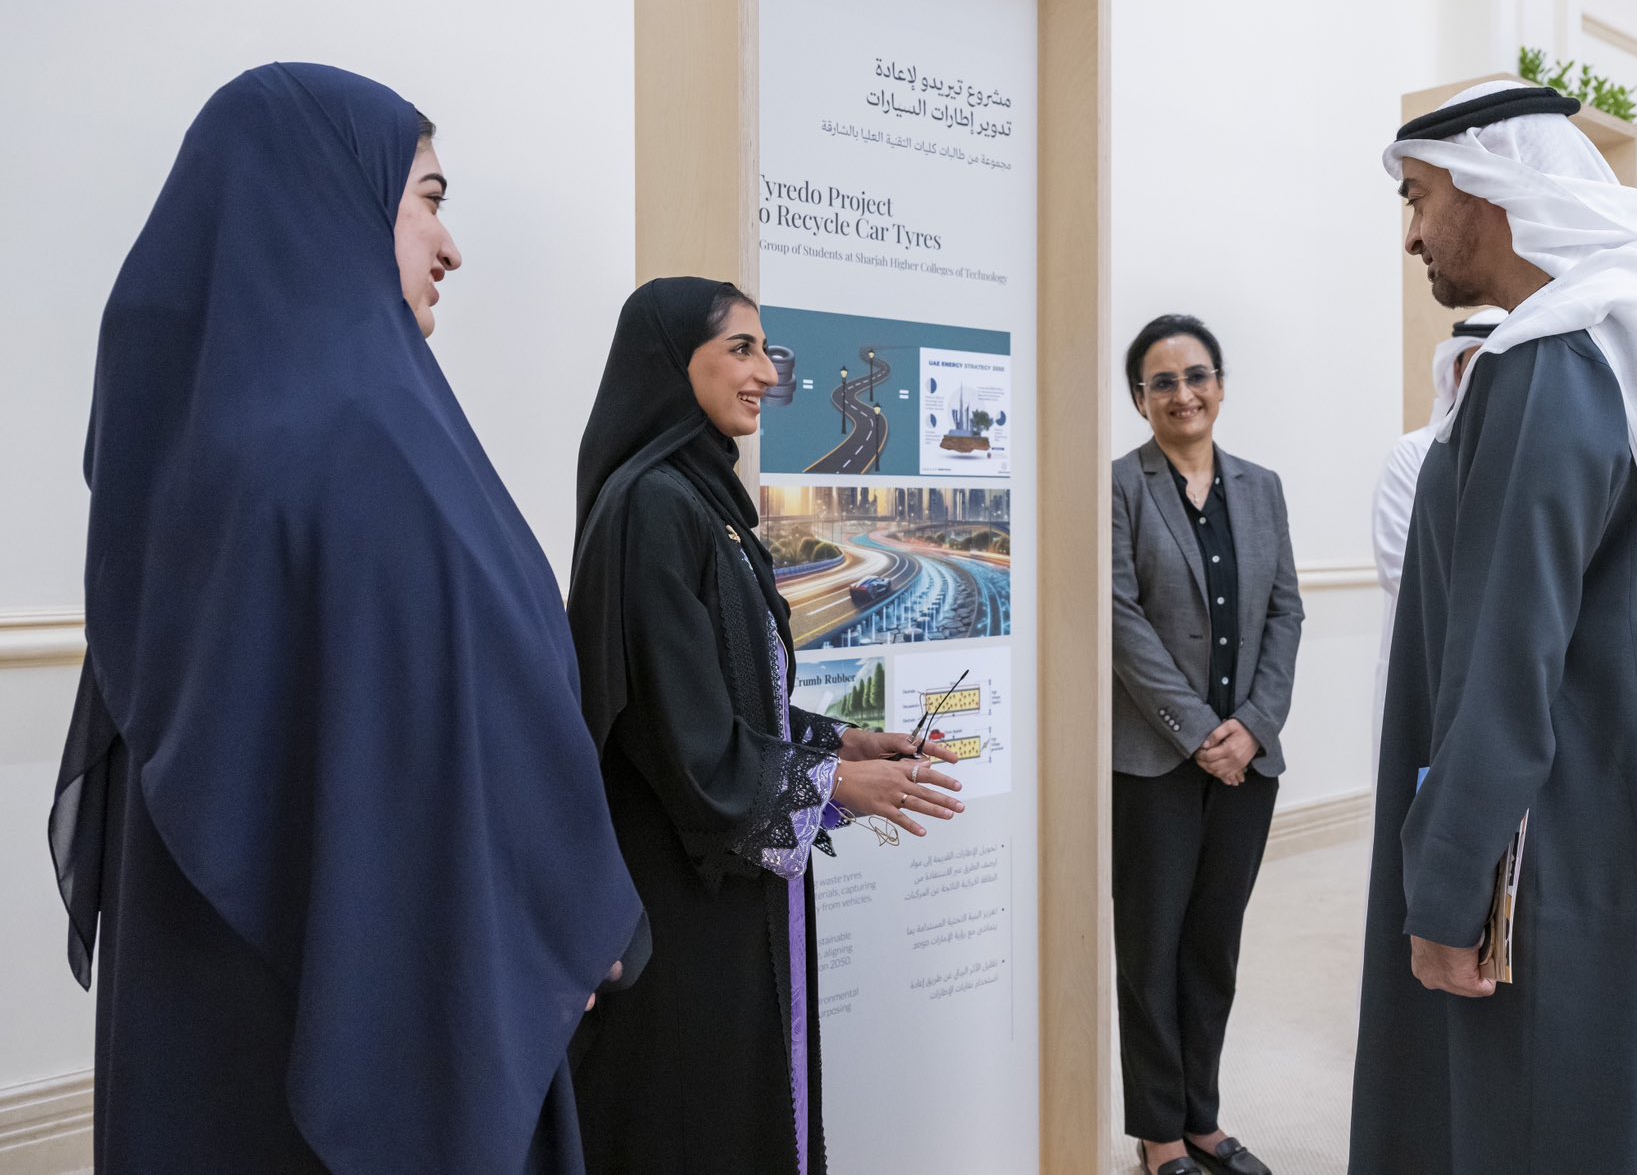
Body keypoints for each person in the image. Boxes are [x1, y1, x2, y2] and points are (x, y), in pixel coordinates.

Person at [48, 63, 643, 1173]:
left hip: (205, 1005)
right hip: (394, 1025)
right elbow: (478, 707)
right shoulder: (367, 446)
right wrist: (582, 915)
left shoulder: (183, 459)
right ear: (334, 196)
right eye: (427, 196)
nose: (448, 244)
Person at [1350, 82, 1637, 1174]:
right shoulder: (1628, 359)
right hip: (1631, 817)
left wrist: (1446, 889)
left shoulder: (1545, 368)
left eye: (1419, 197)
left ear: (1488, 196)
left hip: (1556, 850)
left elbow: (1506, 657)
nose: (1410, 234)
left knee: (1542, 1112)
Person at [567, 277, 965, 1174]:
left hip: (730, 887)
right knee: (692, 1113)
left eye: (764, 350)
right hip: (681, 897)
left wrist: (845, 745)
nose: (764, 372)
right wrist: (834, 786)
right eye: (740, 348)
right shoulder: (654, 507)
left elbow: (731, 699)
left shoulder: (707, 503)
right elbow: (680, 733)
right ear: (676, 360)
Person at [1110, 314, 1303, 1175]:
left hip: (1246, 764)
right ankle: (1158, 1135)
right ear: (1139, 399)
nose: (1182, 394)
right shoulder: (1119, 487)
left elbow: (1285, 612)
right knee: (1151, 947)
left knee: (1213, 944)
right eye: (1162, 382)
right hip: (1154, 761)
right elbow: (1120, 621)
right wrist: (1198, 735)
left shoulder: (1261, 486)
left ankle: (1203, 1119)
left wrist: (1253, 727)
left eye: (1196, 376)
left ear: (1221, 386)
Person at [1370, 310, 1504, 763]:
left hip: (1502, 662)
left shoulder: (1523, 457)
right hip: (1428, 652)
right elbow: (1399, 564)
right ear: (1454, 369)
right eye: (1477, 361)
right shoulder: (1413, 453)